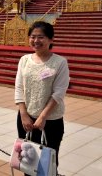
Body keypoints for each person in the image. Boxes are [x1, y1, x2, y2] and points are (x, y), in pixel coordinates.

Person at [15, 21, 69, 168]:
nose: (36, 41)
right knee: (27, 161)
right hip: (26, 120)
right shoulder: (24, 60)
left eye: (41, 37)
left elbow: (59, 93)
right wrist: (23, 114)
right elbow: (19, 87)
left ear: (51, 40)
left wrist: (43, 117)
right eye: (33, 37)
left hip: (50, 120)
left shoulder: (60, 62)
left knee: (47, 164)